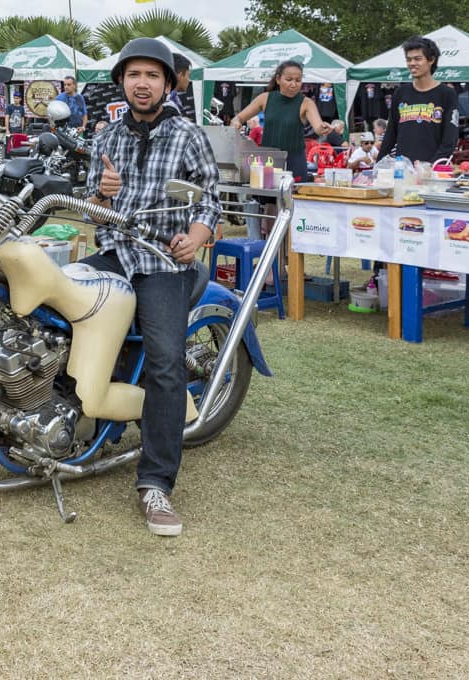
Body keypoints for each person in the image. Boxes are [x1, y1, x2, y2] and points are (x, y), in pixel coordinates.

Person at [84, 37, 221, 536]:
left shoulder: (187, 135)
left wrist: (197, 237)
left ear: (167, 83)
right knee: (55, 313)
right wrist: (99, 193)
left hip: (164, 260)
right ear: (121, 81)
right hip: (115, 252)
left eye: (152, 76)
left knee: (166, 360)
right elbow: (86, 195)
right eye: (134, 75)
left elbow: (209, 198)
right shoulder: (106, 138)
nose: (142, 84)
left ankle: (156, 482)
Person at [230, 61, 332, 184]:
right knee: (265, 199)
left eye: (298, 80)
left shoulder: (306, 103)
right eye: (289, 79)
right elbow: (239, 118)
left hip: (295, 161)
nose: (293, 84)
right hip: (268, 160)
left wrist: (324, 127)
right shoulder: (265, 98)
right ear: (278, 79)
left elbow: (318, 127)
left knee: (295, 200)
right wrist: (236, 122)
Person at [376, 37, 459, 164]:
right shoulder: (400, 93)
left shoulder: (446, 94)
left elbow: (449, 140)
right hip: (402, 169)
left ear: (431, 60)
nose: (412, 63)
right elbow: (390, 134)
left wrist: (430, 167)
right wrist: (379, 165)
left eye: (417, 59)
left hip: (432, 171)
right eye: (409, 59)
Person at [167, 53, 194, 121]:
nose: (189, 80)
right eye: (188, 75)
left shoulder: (172, 95)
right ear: (180, 75)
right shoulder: (168, 98)